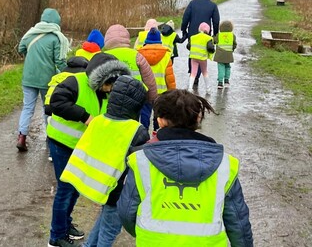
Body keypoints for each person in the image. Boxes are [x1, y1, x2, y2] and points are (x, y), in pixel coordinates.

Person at [117, 89, 253, 247]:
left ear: (160, 121)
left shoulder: (141, 162)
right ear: (198, 118)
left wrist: (144, 234)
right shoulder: (224, 165)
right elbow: (238, 221)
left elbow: (126, 212)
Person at [46, 53, 131, 247]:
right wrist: (85, 117)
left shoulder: (108, 93)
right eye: (109, 85)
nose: (111, 90)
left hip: (81, 147)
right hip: (62, 143)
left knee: (75, 189)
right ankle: (56, 236)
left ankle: (65, 225)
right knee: (66, 189)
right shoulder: (75, 82)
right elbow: (56, 104)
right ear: (101, 80)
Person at [60, 75, 149, 247]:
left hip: (98, 186)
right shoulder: (137, 131)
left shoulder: (99, 120)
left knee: (103, 222)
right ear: (137, 104)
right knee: (109, 231)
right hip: (116, 191)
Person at [17, 8, 69, 152]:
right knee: (48, 108)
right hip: (47, 79)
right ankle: (50, 137)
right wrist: (68, 73)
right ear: (56, 21)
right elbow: (59, 61)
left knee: (27, 107)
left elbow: (20, 49)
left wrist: (31, 56)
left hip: (28, 77)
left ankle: (22, 137)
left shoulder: (30, 34)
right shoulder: (56, 38)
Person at [103, 24, 158, 106]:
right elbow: (149, 79)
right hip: (135, 97)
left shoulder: (103, 57)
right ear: (127, 38)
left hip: (111, 98)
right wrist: (152, 99)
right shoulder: (136, 55)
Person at [137, 28, 176, 131]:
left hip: (145, 90)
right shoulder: (166, 55)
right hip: (161, 91)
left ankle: (144, 131)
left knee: (145, 112)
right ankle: (157, 131)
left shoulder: (139, 54)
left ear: (147, 40)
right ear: (159, 40)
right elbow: (169, 76)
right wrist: (172, 92)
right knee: (158, 113)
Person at [180, 0, 220, 85]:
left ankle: (192, 72)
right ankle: (197, 75)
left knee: (192, 53)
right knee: (202, 53)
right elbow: (216, 22)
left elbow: (185, 18)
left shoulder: (192, 4)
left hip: (192, 32)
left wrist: (184, 30)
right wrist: (215, 35)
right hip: (205, 35)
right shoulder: (213, 6)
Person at [187, 22, 215, 93]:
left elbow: (188, 46)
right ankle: (208, 89)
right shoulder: (209, 38)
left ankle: (190, 88)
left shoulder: (193, 37)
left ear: (199, 29)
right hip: (203, 58)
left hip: (193, 57)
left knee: (193, 72)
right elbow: (210, 48)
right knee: (204, 72)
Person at [213, 20, 237, 89]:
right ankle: (226, 81)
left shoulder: (219, 35)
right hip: (228, 54)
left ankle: (220, 82)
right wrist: (232, 49)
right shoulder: (232, 35)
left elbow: (214, 41)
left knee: (221, 68)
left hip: (220, 55)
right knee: (227, 67)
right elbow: (234, 44)